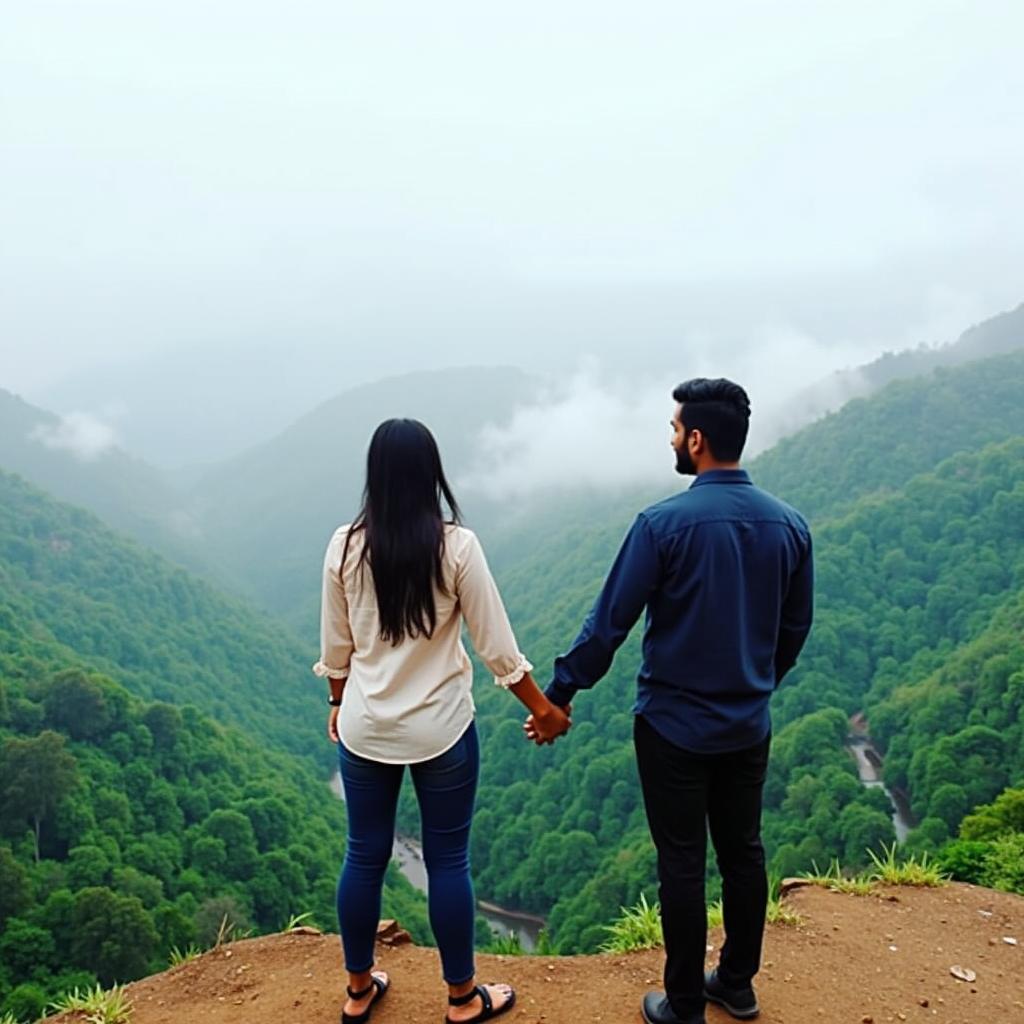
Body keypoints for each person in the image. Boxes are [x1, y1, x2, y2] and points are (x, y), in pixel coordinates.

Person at [528, 378, 813, 1024]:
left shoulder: (662, 525)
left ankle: (684, 1004)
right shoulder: (790, 527)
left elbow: (609, 627)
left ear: (697, 439)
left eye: (674, 428)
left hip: (673, 729)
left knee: (682, 861)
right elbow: (794, 630)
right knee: (744, 852)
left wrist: (558, 697)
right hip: (748, 725)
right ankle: (736, 984)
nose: (670, 438)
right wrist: (758, 683)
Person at [315, 418, 571, 1024]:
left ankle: (358, 989)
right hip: (442, 730)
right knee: (448, 860)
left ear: (373, 476)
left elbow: (336, 647)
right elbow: (497, 647)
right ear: (433, 475)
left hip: (366, 727)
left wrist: (336, 701)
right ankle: (461, 999)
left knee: (364, 854)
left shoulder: (345, 546)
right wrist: (545, 710)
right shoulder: (457, 548)